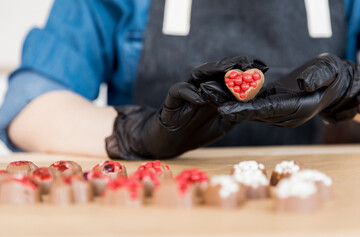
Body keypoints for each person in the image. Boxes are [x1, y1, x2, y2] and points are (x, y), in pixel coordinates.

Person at [0, 0, 360, 159]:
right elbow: (29, 105)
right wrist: (132, 133)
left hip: (306, 204)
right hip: (148, 208)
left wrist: (352, 92)